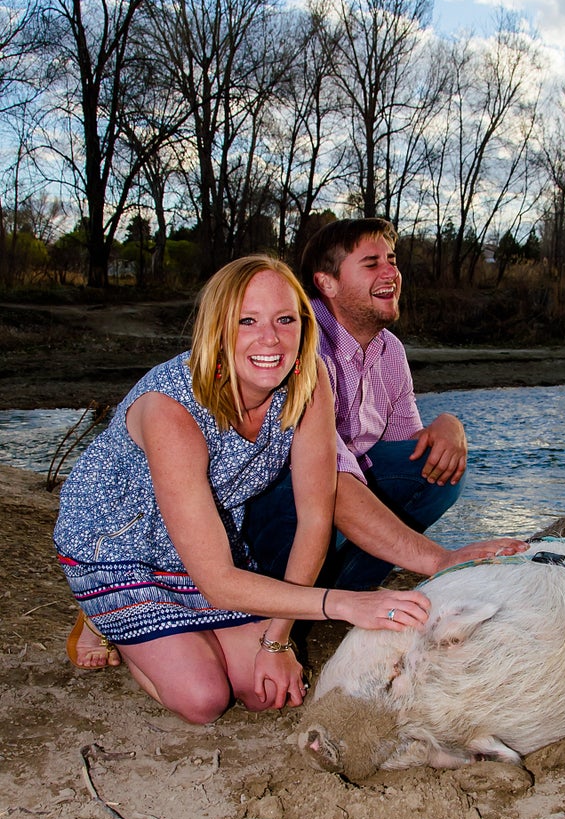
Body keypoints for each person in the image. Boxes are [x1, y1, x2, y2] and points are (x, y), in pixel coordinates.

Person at [55, 255, 431, 723]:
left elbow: (316, 517)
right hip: (115, 546)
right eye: (246, 321)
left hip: (204, 540)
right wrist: (346, 604)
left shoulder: (308, 383)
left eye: (285, 319)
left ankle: (167, 634)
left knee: (262, 691)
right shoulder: (170, 407)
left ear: (304, 324)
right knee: (204, 698)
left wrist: (278, 640)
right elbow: (218, 582)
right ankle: (107, 620)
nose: (269, 338)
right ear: (216, 329)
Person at [244, 219, 526, 591]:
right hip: (266, 509)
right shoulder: (297, 338)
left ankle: (344, 592)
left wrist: (449, 426)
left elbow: (405, 452)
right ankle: (283, 593)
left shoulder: (389, 349)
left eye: (392, 260)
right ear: (327, 282)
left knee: (435, 471)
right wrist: (439, 559)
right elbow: (328, 476)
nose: (392, 272)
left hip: (331, 494)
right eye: (372, 263)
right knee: (326, 483)